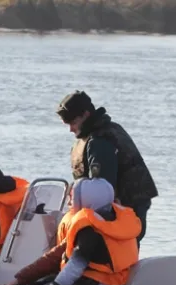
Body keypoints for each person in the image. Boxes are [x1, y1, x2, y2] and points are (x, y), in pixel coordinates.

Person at [8, 178, 141, 285]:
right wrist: (22, 278)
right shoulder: (115, 221)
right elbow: (58, 254)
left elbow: (76, 265)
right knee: (42, 283)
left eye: (73, 197)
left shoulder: (89, 229)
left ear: (86, 199)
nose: (70, 202)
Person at [55, 90, 158, 245]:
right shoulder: (108, 130)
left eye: (73, 122)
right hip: (130, 208)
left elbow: (102, 190)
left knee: (116, 252)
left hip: (125, 210)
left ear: (86, 115)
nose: (70, 129)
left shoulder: (100, 141)